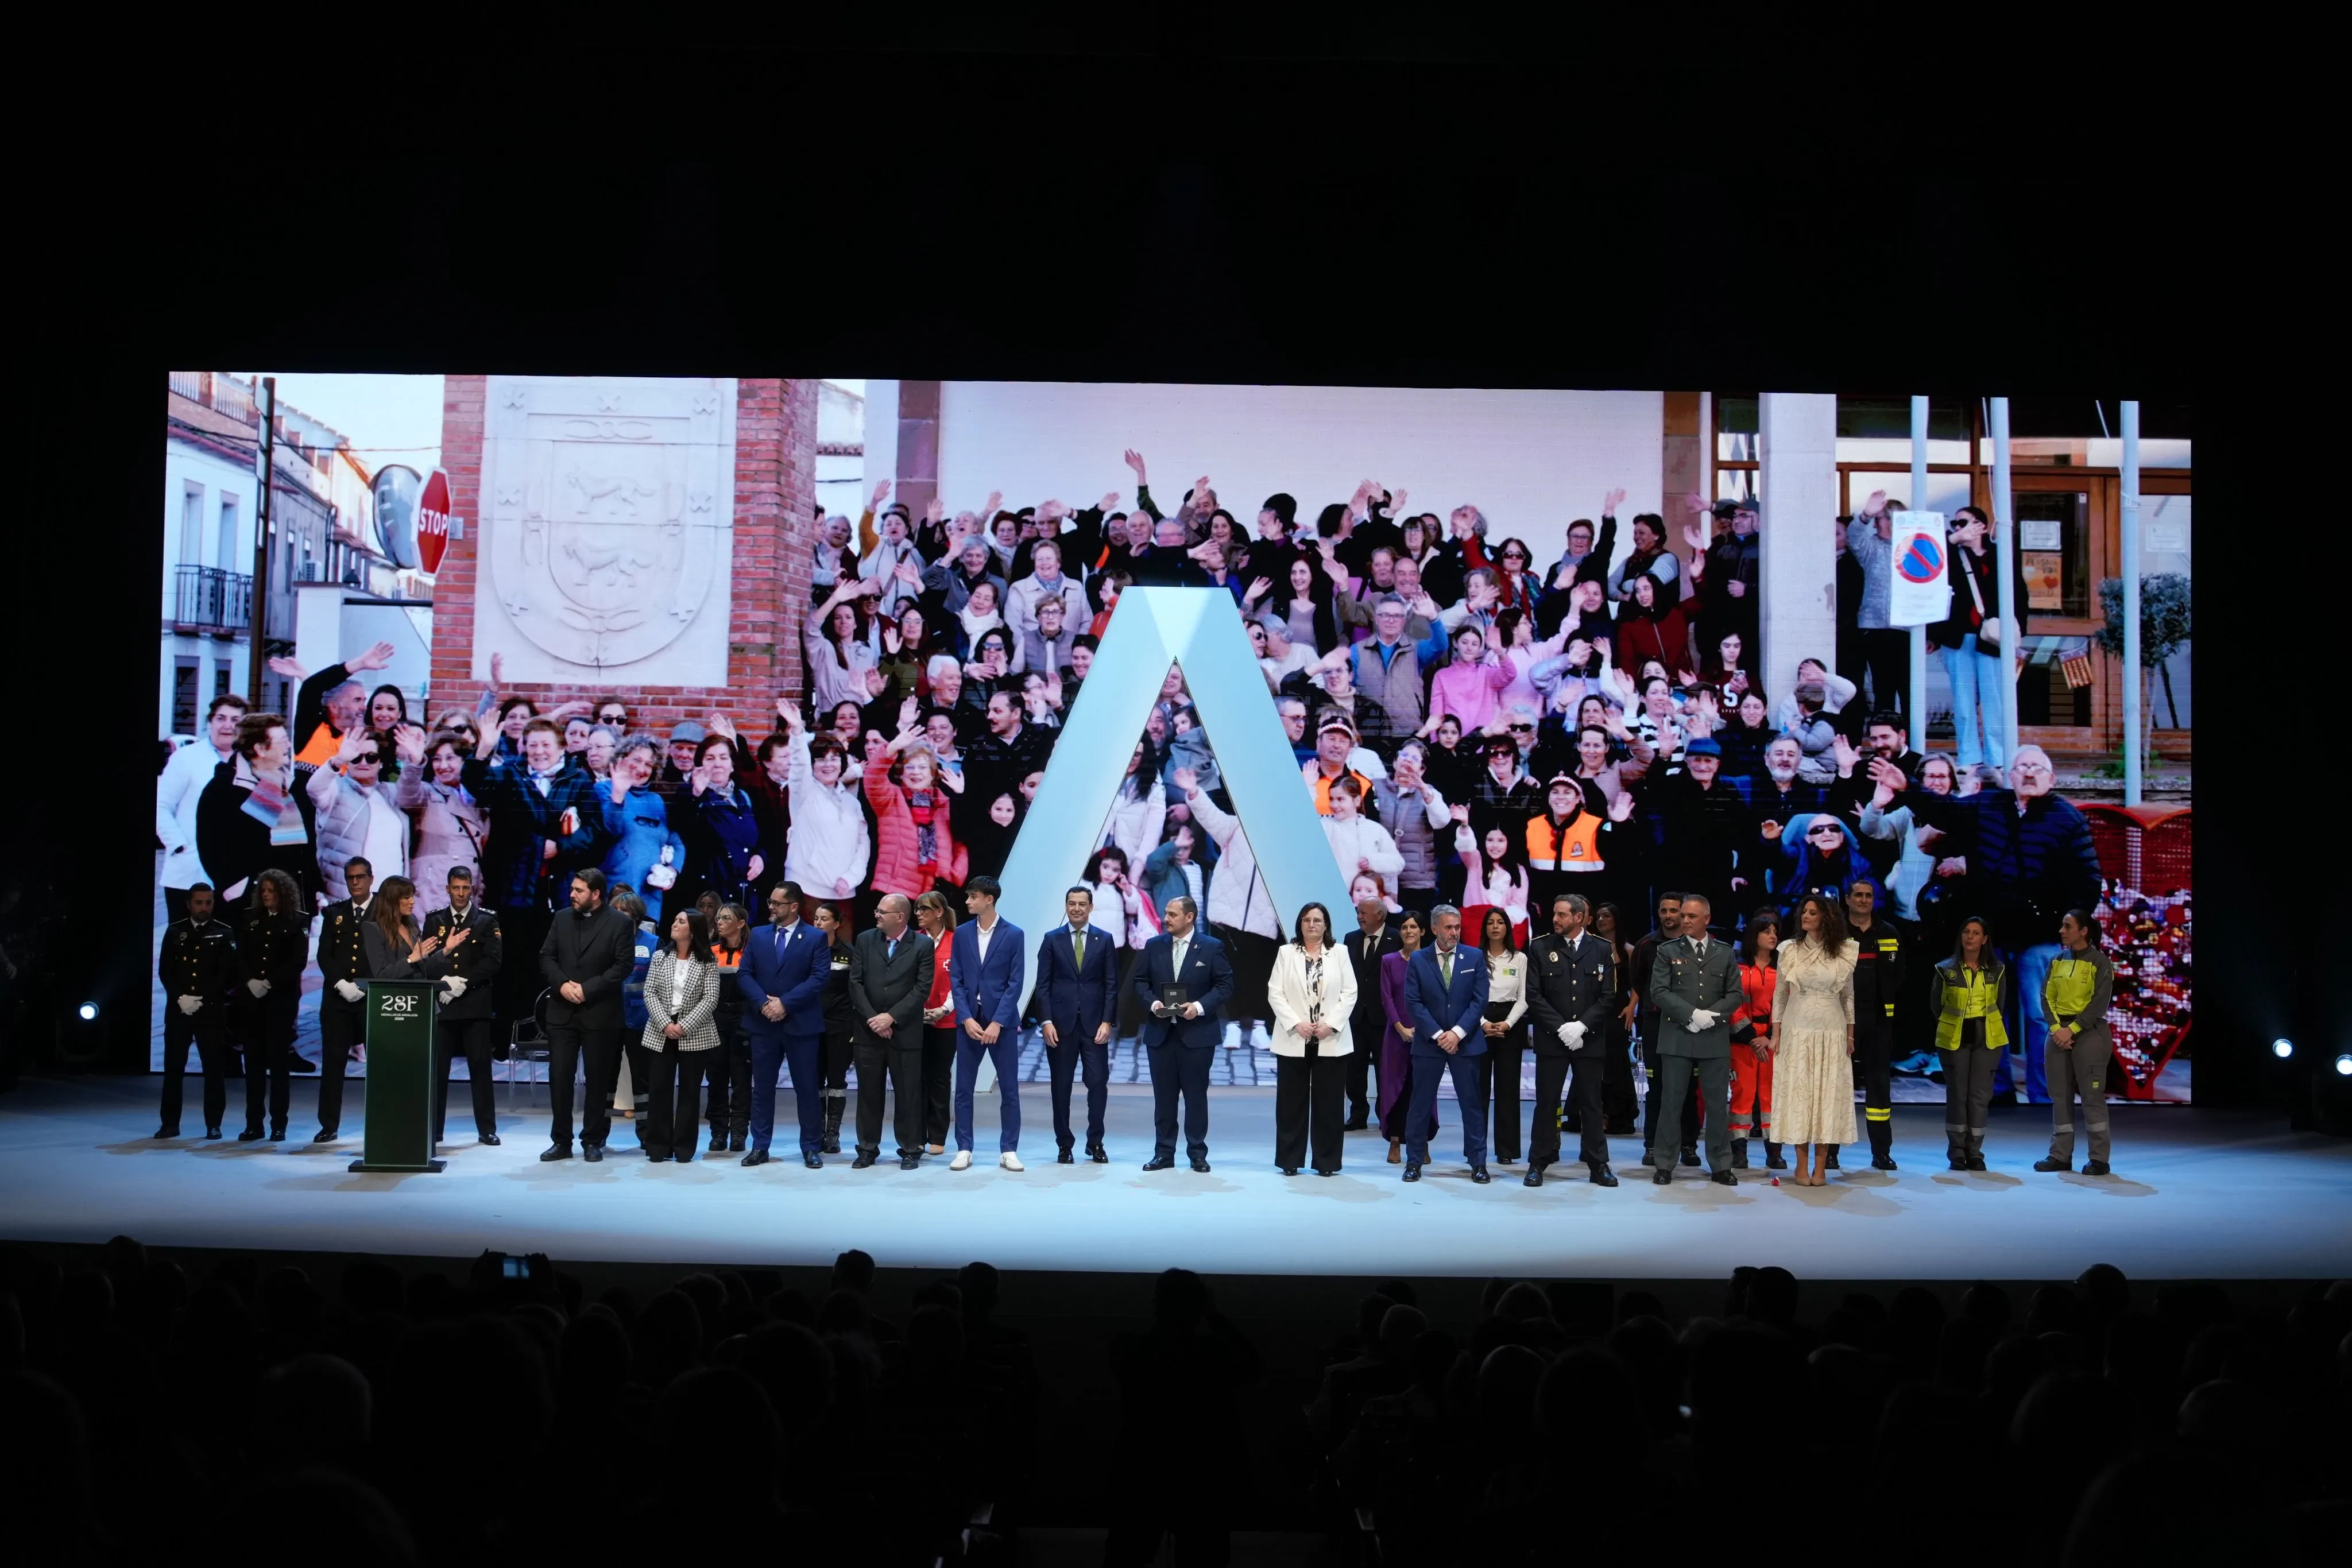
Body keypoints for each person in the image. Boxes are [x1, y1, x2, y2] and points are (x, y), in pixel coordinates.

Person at [1875, 745, 2098, 1103]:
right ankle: (1998, 1093)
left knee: (2044, 1020)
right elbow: (1945, 812)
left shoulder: (2068, 819)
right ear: (2010, 775)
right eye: (2021, 765)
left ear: (2052, 779)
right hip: (1994, 932)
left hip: (2044, 937)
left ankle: (2047, 1098)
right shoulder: (1990, 803)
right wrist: (1907, 789)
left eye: (2037, 768)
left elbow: (2088, 881)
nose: (2028, 772)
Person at [464, 717, 599, 1039]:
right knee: (512, 960)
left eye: (546, 745)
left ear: (561, 747)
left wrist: (561, 847)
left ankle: (550, 1030)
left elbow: (595, 832)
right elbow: (477, 784)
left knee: (553, 960)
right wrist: (483, 748)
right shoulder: (510, 774)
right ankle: (510, 1032)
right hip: (514, 887)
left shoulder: (579, 781)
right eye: (533, 744)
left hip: (559, 888)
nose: (539, 751)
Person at [536, 868, 637, 1163]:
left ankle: (592, 1140)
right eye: (572, 889)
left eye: (578, 890)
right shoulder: (562, 917)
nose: (572, 894)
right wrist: (563, 984)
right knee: (560, 1078)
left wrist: (587, 989)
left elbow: (623, 966)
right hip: (562, 1011)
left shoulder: (619, 923)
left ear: (595, 894)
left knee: (597, 1081)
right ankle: (561, 1141)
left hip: (599, 1013)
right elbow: (546, 956)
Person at [1523, 893, 1620, 1187]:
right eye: (1555, 914)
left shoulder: (1602, 949)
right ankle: (1538, 1163)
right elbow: (1533, 995)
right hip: (1553, 1041)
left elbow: (1609, 996)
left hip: (1588, 1041)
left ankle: (1598, 1164)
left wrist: (1581, 1027)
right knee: (1546, 1102)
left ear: (1579, 918)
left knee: (1592, 1103)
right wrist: (1562, 1027)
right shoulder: (1540, 947)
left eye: (1562, 915)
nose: (1555, 919)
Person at [1646, 893, 1743, 1186]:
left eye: (1691, 917)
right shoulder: (1667, 950)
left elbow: (1735, 994)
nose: (1684, 921)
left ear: (1706, 920)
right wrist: (1691, 1014)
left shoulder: (1725, 952)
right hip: (1677, 1035)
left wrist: (1710, 1015)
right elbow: (1659, 992)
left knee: (1716, 1105)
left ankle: (1721, 1165)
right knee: (1671, 1102)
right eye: (1683, 916)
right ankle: (1664, 1163)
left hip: (1713, 1035)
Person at [1134, 895, 1233, 1173]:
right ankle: (1164, 1153)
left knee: (1196, 1097)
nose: (1166, 919)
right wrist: (1154, 1004)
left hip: (1198, 1036)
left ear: (1190, 917)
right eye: (1166, 914)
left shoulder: (1212, 947)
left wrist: (1199, 1007)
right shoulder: (1154, 946)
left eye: (1172, 915)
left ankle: (1197, 1154)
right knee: (1163, 1098)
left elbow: (1225, 986)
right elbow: (1140, 981)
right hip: (1161, 1035)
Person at [736, 881, 831, 1169]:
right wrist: (765, 1005)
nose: (771, 908)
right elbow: (744, 974)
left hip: (800, 1024)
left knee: (807, 1089)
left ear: (793, 907)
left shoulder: (815, 937)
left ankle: (812, 1147)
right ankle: (760, 1146)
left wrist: (785, 1004)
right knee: (762, 1089)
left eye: (777, 904)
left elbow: (819, 979)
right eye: (770, 902)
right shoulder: (759, 935)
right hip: (763, 1024)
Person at [1769, 892, 1858, 1187]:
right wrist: (1776, 1033)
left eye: (1812, 912)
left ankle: (1821, 1168)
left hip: (1832, 1030)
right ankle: (1801, 1166)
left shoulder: (1844, 951)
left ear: (1826, 917)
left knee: (1825, 1096)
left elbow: (1848, 996)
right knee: (1800, 1094)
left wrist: (1850, 1034)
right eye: (1804, 912)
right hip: (1797, 1028)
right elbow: (1780, 994)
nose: (1805, 916)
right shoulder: (1790, 950)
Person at [1263, 901, 1359, 1177]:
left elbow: (1350, 992)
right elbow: (1275, 993)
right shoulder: (1286, 953)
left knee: (1329, 1104)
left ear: (1326, 925)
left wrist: (1332, 1024)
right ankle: (1290, 1160)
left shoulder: (1339, 953)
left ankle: (1326, 1162)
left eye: (1317, 920)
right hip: (1295, 1037)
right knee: (1291, 1104)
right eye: (1306, 920)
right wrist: (1296, 1023)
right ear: (1300, 925)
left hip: (1330, 1038)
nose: (1312, 925)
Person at [845, 892, 937, 1170]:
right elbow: (855, 983)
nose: (877, 916)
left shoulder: (922, 945)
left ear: (900, 917)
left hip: (905, 1033)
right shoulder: (865, 939)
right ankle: (867, 1149)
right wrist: (875, 1019)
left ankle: (910, 1149)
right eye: (877, 911)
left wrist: (891, 1018)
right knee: (869, 1094)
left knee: (908, 1094)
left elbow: (921, 989)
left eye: (882, 912)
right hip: (868, 1031)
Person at [196, 710, 318, 911]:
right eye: (283, 741)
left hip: (295, 901)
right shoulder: (224, 789)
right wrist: (236, 889)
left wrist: (313, 891)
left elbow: (305, 845)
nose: (289, 746)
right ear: (260, 748)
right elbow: (212, 847)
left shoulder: (291, 784)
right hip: (251, 904)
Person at [1402, 905, 1490, 1182]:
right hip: (1430, 1044)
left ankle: (1478, 1163)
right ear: (1436, 928)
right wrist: (1440, 1034)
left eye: (1458, 927)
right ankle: (1414, 1161)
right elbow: (1413, 1001)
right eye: (1449, 927)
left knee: (1472, 1105)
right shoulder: (1419, 960)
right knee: (1420, 1104)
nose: (1454, 932)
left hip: (1466, 1043)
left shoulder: (1474, 957)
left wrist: (1457, 1033)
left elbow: (1480, 1000)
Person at [1033, 885, 1119, 1166]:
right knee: (1061, 1087)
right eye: (1072, 904)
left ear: (1091, 908)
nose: (1077, 909)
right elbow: (1042, 985)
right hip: (1060, 1025)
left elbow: (1111, 986)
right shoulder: (1051, 939)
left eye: (1083, 904)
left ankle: (1095, 1142)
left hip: (1095, 1026)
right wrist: (1045, 1021)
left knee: (1097, 1084)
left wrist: (1108, 1021)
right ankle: (1064, 1144)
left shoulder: (1104, 940)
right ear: (1066, 907)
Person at [948, 875, 1026, 1171]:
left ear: (989, 899)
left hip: (1000, 1023)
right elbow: (956, 979)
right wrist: (966, 1017)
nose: (967, 901)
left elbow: (1015, 983)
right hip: (969, 1020)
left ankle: (1009, 1149)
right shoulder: (963, 933)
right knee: (964, 1088)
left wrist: (997, 1023)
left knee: (1009, 1088)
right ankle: (964, 1148)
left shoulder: (1014, 934)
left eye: (973, 897)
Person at [421, 865, 502, 1148]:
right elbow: (426, 959)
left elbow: (493, 961)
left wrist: (463, 983)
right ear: (447, 889)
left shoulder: (486, 921)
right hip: (443, 1005)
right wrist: (445, 981)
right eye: (456, 888)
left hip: (475, 1004)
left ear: (473, 889)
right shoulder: (434, 921)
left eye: (465, 888)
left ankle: (487, 1130)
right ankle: (434, 1130)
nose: (460, 893)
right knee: (438, 1070)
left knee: (480, 1069)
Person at [2034, 909, 2117, 1176]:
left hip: (2089, 1034)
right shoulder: (2057, 960)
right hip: (2058, 1035)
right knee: (2059, 1097)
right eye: (2062, 926)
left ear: (2083, 931)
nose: (2062, 930)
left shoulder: (2100, 963)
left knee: (2092, 1098)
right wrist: (2058, 1029)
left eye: (2067, 926)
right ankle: (2060, 1155)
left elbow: (2098, 1004)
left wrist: (2072, 1030)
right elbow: (2046, 996)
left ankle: (2099, 1159)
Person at [156, 880, 237, 1139]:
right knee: (173, 1069)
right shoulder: (174, 932)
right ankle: (169, 1123)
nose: (204, 908)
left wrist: (200, 999)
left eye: (209, 903)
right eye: (199, 903)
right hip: (179, 1011)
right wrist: (181, 998)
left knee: (213, 1069)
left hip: (210, 1012)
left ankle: (214, 1124)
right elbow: (165, 971)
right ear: (188, 904)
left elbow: (226, 974)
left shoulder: (225, 933)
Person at [1931, 505, 2008, 772]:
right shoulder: (1950, 553)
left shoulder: (2001, 554)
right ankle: (1969, 756)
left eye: (1963, 523)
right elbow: (1931, 577)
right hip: (1958, 635)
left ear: (1981, 527)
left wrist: (2014, 630)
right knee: (1963, 701)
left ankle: (1997, 757)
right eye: (1954, 524)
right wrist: (1934, 634)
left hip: (1992, 637)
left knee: (1994, 698)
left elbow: (2018, 592)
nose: (1957, 528)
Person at [157, 693, 247, 921]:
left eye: (235, 720)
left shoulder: (250, 762)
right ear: (210, 722)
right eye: (221, 718)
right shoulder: (186, 758)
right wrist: (179, 845)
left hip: (233, 879)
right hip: (189, 873)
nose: (227, 726)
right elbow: (160, 805)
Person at [233, 867, 307, 1141]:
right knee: (252, 1065)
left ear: (283, 893)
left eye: (271, 891)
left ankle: (279, 1124)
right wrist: (251, 980)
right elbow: (240, 954)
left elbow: (298, 960)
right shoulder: (248, 919)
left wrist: (269, 982)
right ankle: (254, 1124)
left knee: (278, 1066)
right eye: (263, 891)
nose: (266, 896)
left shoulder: (298, 921)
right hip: (251, 1003)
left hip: (280, 1003)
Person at [311, 855, 380, 1144]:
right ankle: (328, 1125)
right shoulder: (334, 913)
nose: (355, 883)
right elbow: (324, 954)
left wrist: (368, 987)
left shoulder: (385, 911)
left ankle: (381, 1123)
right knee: (333, 1065)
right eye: (350, 878)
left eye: (360, 877)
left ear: (371, 879)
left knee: (379, 1066)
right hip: (338, 1000)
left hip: (372, 1000)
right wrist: (341, 983)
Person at [1932, 916, 2007, 1171]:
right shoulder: (1946, 969)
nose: (1970, 937)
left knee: (1979, 1097)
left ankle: (1975, 1153)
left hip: (1987, 1039)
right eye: (1966, 932)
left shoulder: (1997, 970)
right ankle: (1956, 1153)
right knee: (1957, 1096)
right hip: (1954, 1039)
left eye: (1976, 933)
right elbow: (1937, 1005)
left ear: (1985, 939)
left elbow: (2001, 1004)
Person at [1846, 878, 1906, 1171]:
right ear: (1848, 899)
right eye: (1858, 895)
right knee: (1838, 1086)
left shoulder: (1889, 932)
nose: (1864, 900)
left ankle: (1881, 1152)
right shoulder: (1837, 934)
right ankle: (1830, 1153)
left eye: (1869, 896)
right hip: (1843, 1021)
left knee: (1880, 1089)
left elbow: (1899, 974)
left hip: (1879, 1022)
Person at [396, 730, 490, 917]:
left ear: (465, 761)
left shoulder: (478, 800)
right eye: (437, 759)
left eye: (450, 758)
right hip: (433, 894)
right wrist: (414, 764)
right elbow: (407, 795)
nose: (443, 766)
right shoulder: (429, 793)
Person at [1375, 911, 1436, 1163]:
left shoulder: (1433, 961)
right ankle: (1396, 1142)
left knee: (1420, 1089)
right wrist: (1400, 1027)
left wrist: (1425, 1029)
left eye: (1414, 927)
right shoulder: (1389, 960)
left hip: (1426, 1034)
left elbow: (1435, 997)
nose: (1409, 931)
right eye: (1404, 927)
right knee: (1396, 1089)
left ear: (1423, 931)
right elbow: (1386, 997)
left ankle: (1421, 1144)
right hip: (1396, 1034)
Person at [1473, 907, 1530, 1167]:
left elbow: (1524, 998)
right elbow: (1470, 997)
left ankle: (1507, 1149)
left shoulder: (1519, 958)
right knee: (1478, 1089)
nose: (1495, 927)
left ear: (1507, 927)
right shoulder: (1475, 957)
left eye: (1500, 922)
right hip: (1480, 1021)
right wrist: (1484, 1023)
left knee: (1508, 1088)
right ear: (1485, 928)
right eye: (1491, 923)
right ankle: (1476, 1149)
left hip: (1511, 1023)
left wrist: (1507, 1023)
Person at [1727, 911, 1782, 1170]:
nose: (1773, 936)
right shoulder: (1737, 966)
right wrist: (1752, 1039)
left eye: (1775, 932)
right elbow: (1733, 1005)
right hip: (1742, 1041)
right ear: (1754, 935)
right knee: (1742, 1095)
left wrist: (1770, 1037)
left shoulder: (1783, 967)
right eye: (1767, 932)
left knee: (1772, 1097)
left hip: (1774, 1041)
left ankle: (1775, 1152)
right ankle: (1739, 1152)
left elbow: (1787, 1005)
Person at [1344, 896, 1402, 1130]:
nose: (1359, 917)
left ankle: (1385, 1115)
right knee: (1354, 1070)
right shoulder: (1351, 939)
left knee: (1385, 1071)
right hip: (1356, 1017)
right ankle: (1358, 1115)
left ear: (1379, 915)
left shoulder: (1396, 938)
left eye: (1364, 913)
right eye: (1359, 912)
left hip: (1385, 1019)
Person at [910, 891, 960, 1156]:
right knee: (916, 1079)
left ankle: (937, 1136)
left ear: (939, 912)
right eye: (917, 909)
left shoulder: (957, 941)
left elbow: (961, 982)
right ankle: (916, 1136)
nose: (918, 914)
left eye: (924, 909)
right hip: (914, 1021)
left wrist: (943, 1009)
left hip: (946, 1021)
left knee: (940, 1078)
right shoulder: (912, 941)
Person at [806, 903, 858, 1152]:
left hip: (840, 1027)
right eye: (816, 918)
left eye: (824, 919)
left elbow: (856, 992)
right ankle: (816, 1132)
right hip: (810, 1027)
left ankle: (832, 1135)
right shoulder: (805, 951)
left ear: (836, 924)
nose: (818, 923)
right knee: (814, 1080)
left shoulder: (849, 952)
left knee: (836, 1081)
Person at [702, 901, 753, 1154]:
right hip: (715, 1021)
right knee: (716, 1079)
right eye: (719, 918)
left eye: (725, 918)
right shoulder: (709, 952)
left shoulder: (753, 952)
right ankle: (718, 1132)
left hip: (745, 1020)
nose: (719, 922)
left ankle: (739, 1132)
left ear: (741, 924)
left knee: (742, 1080)